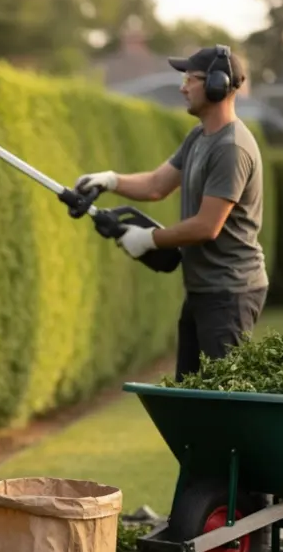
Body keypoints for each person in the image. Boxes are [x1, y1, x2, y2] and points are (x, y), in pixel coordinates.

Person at [74, 45, 268, 382]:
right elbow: (156, 185)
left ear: (217, 85)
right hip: (204, 290)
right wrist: (110, 180)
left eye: (190, 79)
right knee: (188, 396)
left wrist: (148, 239)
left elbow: (207, 226)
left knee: (223, 400)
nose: (182, 87)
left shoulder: (231, 147)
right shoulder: (200, 137)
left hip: (230, 294)